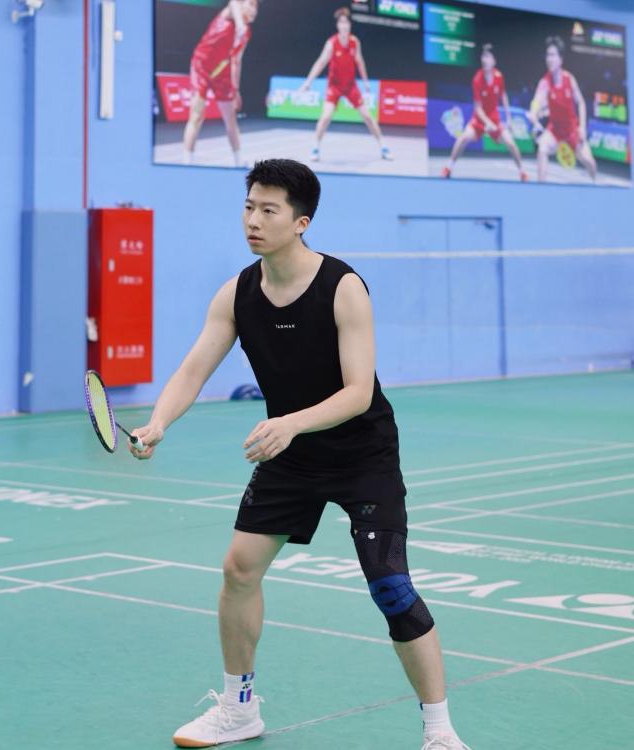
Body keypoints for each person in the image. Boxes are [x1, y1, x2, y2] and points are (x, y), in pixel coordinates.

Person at [128, 158, 471, 750]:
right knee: (239, 569)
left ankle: (439, 732)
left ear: (301, 222)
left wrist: (289, 423)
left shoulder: (343, 288)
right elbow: (194, 367)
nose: (253, 221)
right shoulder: (237, 293)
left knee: (391, 586)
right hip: (290, 452)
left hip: (361, 453)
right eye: (249, 207)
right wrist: (159, 422)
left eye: (269, 210)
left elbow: (358, 392)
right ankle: (239, 708)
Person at [298, 7, 391, 162]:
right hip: (334, 86)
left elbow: (360, 62)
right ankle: (315, 147)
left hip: (350, 86)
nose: (344, 25)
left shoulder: (355, 42)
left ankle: (383, 146)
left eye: (346, 22)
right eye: (341, 22)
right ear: (338, 25)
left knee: (368, 117)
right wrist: (308, 82)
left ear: (349, 25)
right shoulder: (331, 43)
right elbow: (320, 63)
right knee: (326, 117)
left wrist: (366, 82)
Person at [183, 0, 259, 167]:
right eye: (251, 4)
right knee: (196, 116)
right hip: (201, 67)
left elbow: (237, 61)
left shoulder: (246, 33)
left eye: (256, 7)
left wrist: (236, 89)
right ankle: (187, 162)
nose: (254, 10)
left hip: (222, 72)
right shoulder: (230, 14)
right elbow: (233, 3)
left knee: (231, 119)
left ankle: (238, 161)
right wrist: (239, 23)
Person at [442, 44, 527, 181]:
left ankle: (522, 172)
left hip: (495, 121)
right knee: (463, 138)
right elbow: (478, 108)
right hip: (479, 121)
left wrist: (508, 118)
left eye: (488, 57)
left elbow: (503, 95)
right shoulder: (477, 79)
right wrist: (487, 123)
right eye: (483, 56)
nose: (484, 60)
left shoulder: (499, 77)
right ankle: (448, 168)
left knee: (511, 143)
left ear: (494, 61)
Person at [527, 36, 597, 182]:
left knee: (589, 163)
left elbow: (581, 103)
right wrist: (533, 112)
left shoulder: (569, 79)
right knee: (542, 149)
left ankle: (595, 184)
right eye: (548, 55)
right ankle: (540, 188)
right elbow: (537, 99)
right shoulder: (545, 82)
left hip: (572, 131)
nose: (549, 59)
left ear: (560, 59)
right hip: (555, 130)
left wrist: (582, 128)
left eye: (553, 55)